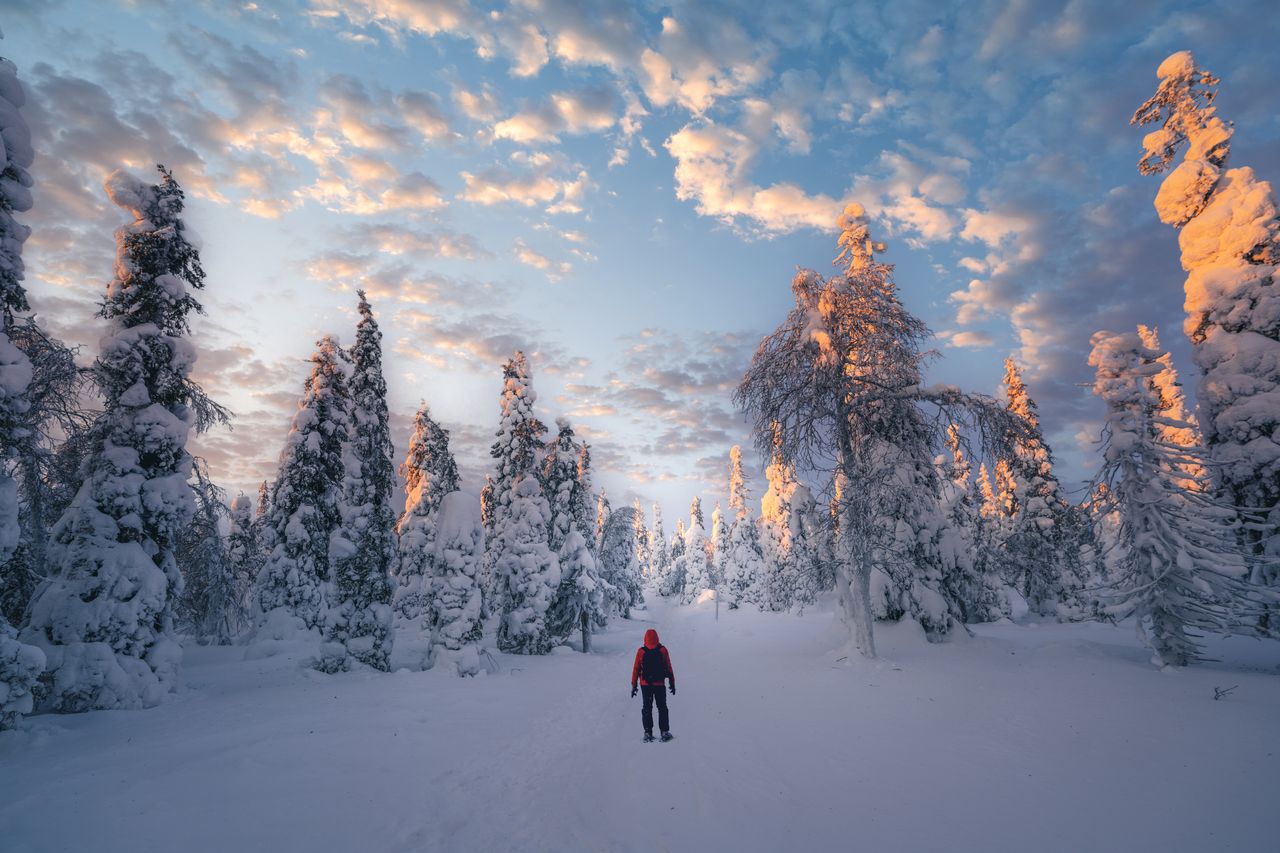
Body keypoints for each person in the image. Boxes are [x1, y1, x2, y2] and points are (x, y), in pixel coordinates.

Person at [630, 628, 675, 742]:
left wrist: (634, 685)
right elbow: (669, 667)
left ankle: (648, 732)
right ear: (657, 637)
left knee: (647, 708)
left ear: (645, 638)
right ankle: (664, 731)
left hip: (645, 685)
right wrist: (672, 682)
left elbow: (636, 669)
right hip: (659, 684)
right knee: (662, 707)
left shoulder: (641, 651)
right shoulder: (663, 650)